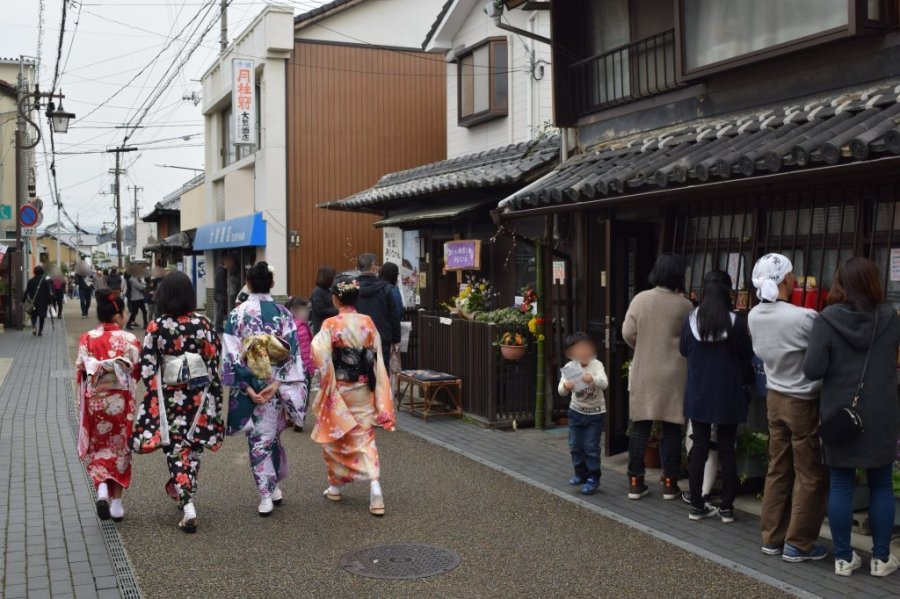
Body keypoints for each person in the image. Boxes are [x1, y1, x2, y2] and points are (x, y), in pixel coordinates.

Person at [803, 257, 900, 577]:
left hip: (841, 414)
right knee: (882, 484)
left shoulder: (827, 319)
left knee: (842, 485)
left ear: (841, 281)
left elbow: (812, 369)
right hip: (882, 412)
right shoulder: (890, 316)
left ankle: (844, 559)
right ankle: (881, 559)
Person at [748, 254, 828, 561]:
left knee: (777, 469)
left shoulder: (754, 315)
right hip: (803, 401)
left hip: (774, 397)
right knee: (810, 473)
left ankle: (772, 537)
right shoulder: (803, 317)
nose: (795, 279)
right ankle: (799, 543)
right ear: (786, 280)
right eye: (792, 274)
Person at [132, 272, 224, 533]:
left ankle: (187, 504)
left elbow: (147, 365)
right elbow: (213, 358)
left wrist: (151, 393)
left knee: (175, 447)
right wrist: (212, 391)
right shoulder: (203, 324)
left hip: (168, 396)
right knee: (193, 445)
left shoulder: (157, 326)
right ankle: (185, 490)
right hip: (197, 394)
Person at [222, 263, 307, 516]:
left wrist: (247, 387)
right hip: (276, 385)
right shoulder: (282, 314)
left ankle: (266, 493)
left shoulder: (237, 314)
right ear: (271, 284)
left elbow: (231, 355)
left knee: (258, 440)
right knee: (269, 436)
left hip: (249, 382)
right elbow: (292, 353)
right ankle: (270, 489)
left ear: (248, 283)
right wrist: (278, 383)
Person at [311, 274, 395, 516]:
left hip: (341, 388)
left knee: (336, 436)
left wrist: (328, 376)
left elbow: (318, 351)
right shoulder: (367, 322)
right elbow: (376, 351)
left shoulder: (330, 324)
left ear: (336, 299)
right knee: (364, 436)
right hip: (362, 388)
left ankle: (335, 487)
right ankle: (375, 487)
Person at [680, 272, 753, 523]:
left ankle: (697, 504)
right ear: (727, 293)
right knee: (726, 448)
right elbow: (746, 354)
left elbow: (683, 350)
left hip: (699, 390)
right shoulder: (737, 322)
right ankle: (727, 507)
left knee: (699, 447)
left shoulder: (691, 320)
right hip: (728, 392)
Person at [621, 253, 693, 500]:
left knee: (640, 425)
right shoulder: (685, 306)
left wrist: (644, 346)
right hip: (675, 372)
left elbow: (627, 333)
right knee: (672, 428)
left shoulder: (641, 299)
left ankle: (635, 481)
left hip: (645, 369)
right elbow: (689, 340)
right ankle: (670, 483)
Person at [75, 291, 141, 522]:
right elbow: (137, 371)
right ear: (118, 315)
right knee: (121, 447)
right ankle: (116, 505)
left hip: (97, 402)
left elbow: (82, 369)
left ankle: (102, 488)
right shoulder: (129, 339)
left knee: (99, 446)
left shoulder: (87, 338)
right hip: (121, 403)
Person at [558, 332, 608, 495]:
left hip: (595, 414)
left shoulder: (597, 365)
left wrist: (591, 379)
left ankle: (593, 477)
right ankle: (580, 474)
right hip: (575, 412)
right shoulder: (569, 368)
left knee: (591, 447)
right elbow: (561, 391)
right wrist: (566, 386)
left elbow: (604, 383)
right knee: (575, 446)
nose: (582, 353)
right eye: (577, 351)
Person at [355, 253, 401, 365]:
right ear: (373, 267)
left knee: (361, 375)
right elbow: (394, 315)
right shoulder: (385, 288)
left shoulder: (351, 288)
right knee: (382, 374)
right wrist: (396, 339)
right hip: (382, 338)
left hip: (357, 338)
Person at [285, 296, 315, 433]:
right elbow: (305, 350)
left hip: (289, 367)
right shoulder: (301, 327)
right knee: (303, 394)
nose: (307, 313)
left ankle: (291, 416)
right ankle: (299, 420)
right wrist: (311, 367)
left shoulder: (286, 324)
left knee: (290, 393)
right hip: (302, 367)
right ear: (295, 311)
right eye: (305, 310)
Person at [379, 262, 405, 394]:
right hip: (390, 333)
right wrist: (397, 338)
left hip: (377, 332)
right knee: (391, 365)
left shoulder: (377, 287)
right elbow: (398, 311)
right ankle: (390, 392)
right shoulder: (392, 290)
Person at [24, 265, 52, 336]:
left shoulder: (30, 281)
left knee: (33, 315)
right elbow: (48, 293)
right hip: (43, 302)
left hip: (33, 302)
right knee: (42, 317)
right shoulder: (45, 282)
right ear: (42, 272)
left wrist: (23, 300)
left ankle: (34, 326)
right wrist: (50, 302)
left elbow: (26, 291)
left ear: (34, 272)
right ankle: (40, 331)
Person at [309, 266, 338, 335]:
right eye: (333, 277)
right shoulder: (317, 292)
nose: (334, 280)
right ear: (328, 278)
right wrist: (336, 310)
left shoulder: (328, 290)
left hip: (329, 327)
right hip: (321, 329)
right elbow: (320, 311)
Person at [214, 253, 237, 332]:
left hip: (220, 294)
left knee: (222, 311)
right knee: (221, 311)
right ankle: (218, 327)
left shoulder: (221, 270)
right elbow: (221, 284)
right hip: (221, 295)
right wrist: (224, 294)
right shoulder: (222, 271)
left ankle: (220, 326)